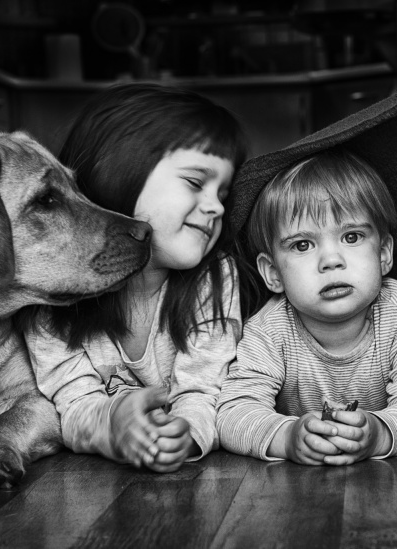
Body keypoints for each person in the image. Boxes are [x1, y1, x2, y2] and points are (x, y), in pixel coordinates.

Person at [25, 83, 247, 473]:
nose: (215, 207)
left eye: (222, 195)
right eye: (195, 183)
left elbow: (204, 390)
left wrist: (183, 434)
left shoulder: (215, 276)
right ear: (118, 171)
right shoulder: (50, 291)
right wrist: (113, 425)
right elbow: (73, 401)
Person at [217, 149, 397, 465]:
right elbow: (234, 411)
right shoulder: (268, 328)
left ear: (383, 254)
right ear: (273, 273)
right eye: (302, 245)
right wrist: (287, 438)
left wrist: (379, 435)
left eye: (351, 237)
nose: (331, 260)